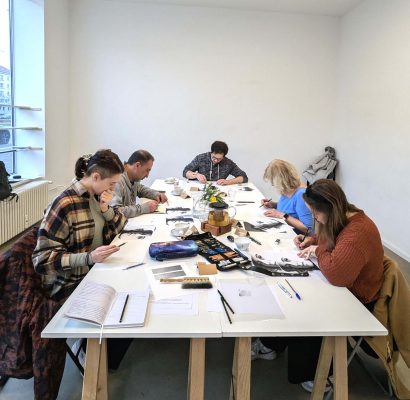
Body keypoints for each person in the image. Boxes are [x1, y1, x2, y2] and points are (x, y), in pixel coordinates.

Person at [254, 179, 384, 393]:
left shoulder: (358, 231)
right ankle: (271, 345)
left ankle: (316, 373)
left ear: (330, 208)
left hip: (357, 299)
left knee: (305, 309)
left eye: (315, 212)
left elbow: (338, 275)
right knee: (288, 292)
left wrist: (317, 250)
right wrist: (312, 240)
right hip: (344, 287)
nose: (314, 217)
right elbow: (332, 240)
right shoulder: (341, 217)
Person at [33, 149, 127, 302]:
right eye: (111, 183)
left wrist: (106, 209)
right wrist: (89, 258)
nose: (113, 189)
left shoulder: (98, 196)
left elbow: (121, 226)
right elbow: (42, 260)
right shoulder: (65, 204)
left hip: (97, 270)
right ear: (95, 177)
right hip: (72, 284)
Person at [261, 159, 313, 233]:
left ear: (280, 181)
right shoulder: (287, 189)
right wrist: (273, 204)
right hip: (283, 228)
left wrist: (283, 215)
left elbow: (308, 229)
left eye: (273, 183)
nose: (273, 185)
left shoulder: (301, 195)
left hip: (295, 236)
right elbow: (290, 208)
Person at [111, 149, 167, 217]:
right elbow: (115, 212)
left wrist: (156, 194)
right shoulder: (117, 181)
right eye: (147, 170)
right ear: (137, 165)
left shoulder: (133, 177)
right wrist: (143, 208)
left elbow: (139, 189)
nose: (147, 175)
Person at [183, 140, 248, 185]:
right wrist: (196, 175)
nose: (216, 160)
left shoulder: (228, 163)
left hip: (219, 191)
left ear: (224, 156)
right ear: (211, 152)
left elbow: (244, 177)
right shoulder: (201, 158)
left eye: (219, 159)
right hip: (201, 188)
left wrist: (228, 182)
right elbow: (185, 172)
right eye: (214, 157)